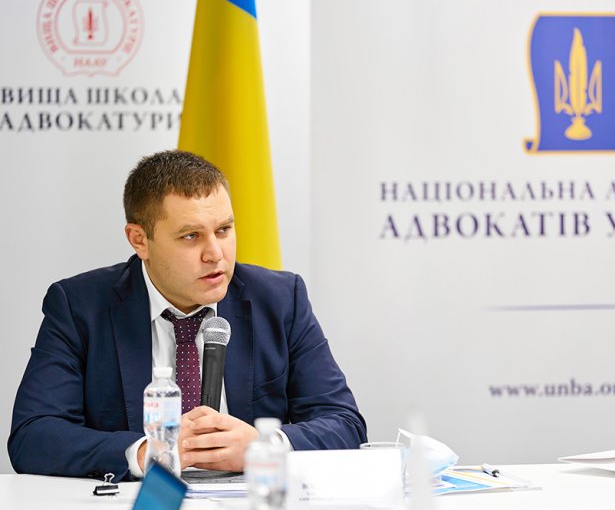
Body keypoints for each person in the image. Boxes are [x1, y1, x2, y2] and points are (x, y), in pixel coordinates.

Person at [8, 150, 366, 481]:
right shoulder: (80, 307)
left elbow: (345, 423)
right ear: (139, 240)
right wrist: (146, 452)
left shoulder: (280, 299)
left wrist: (263, 445)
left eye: (223, 230)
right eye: (191, 236)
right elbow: (33, 435)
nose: (215, 254)